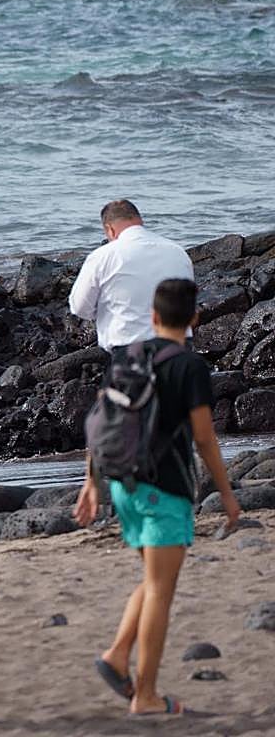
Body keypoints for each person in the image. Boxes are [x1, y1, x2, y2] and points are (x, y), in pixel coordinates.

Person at [73, 278, 240, 716]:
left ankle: (116, 656)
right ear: (194, 318)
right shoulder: (190, 367)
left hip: (123, 486)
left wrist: (91, 484)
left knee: (152, 582)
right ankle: (145, 696)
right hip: (163, 490)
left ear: (153, 316)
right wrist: (226, 494)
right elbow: (203, 438)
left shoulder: (129, 355)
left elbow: (101, 417)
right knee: (162, 592)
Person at [68, 199, 194, 352]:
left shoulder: (103, 256)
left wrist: (104, 311)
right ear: (140, 221)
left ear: (109, 229)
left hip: (131, 348)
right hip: (179, 347)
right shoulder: (177, 251)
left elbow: (79, 307)